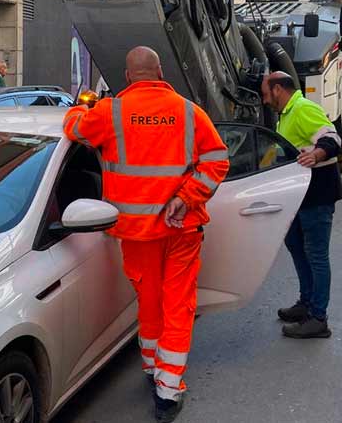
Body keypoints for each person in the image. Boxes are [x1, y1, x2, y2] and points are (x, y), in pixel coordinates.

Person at [64, 46, 229, 422]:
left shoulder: (110, 113)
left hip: (136, 232)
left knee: (149, 301)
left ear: (127, 76)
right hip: (181, 228)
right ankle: (167, 390)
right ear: (160, 72)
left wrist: (81, 108)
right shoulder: (189, 112)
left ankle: (155, 370)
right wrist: (187, 197)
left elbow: (73, 127)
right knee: (178, 304)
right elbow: (218, 160)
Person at [262, 71, 342, 339]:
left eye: (265, 93)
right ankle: (306, 303)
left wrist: (316, 155)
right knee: (297, 247)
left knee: (316, 255)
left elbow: (333, 139)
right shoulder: (285, 115)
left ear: (277, 89)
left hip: (317, 196)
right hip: (298, 197)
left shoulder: (302, 108)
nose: (264, 100)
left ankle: (318, 318)